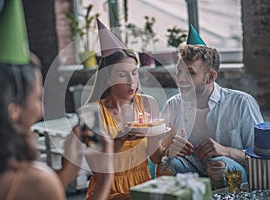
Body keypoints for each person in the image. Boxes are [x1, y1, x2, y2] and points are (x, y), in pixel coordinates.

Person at [0, 1, 113, 199]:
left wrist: (68, 172)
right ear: (14, 110)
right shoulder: (36, 181)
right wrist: (106, 177)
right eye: (38, 98)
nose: (41, 109)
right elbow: (39, 190)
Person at [156, 25, 264, 185]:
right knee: (167, 165)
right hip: (189, 170)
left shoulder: (242, 103)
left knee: (219, 164)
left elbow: (262, 158)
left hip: (231, 173)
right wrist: (169, 149)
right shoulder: (173, 105)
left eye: (190, 72)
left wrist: (225, 151)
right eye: (179, 71)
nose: (180, 79)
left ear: (210, 77)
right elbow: (158, 155)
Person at [84, 19, 167, 200]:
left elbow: (156, 158)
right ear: (108, 79)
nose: (132, 82)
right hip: (108, 192)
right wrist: (121, 138)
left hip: (143, 187)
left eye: (134, 73)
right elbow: (97, 170)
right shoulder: (91, 113)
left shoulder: (147, 103)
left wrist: (166, 143)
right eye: (122, 75)